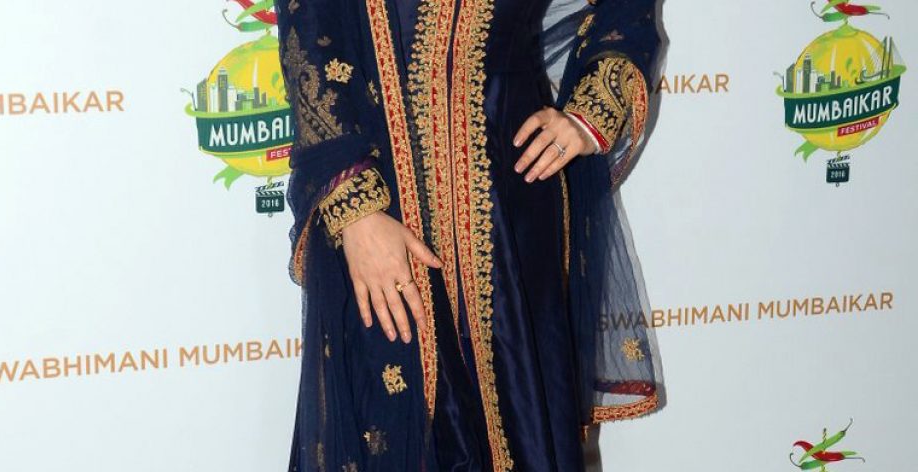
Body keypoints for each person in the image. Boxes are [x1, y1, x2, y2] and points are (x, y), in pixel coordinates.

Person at [276, 0, 665, 470]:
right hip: (380, 212)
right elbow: (310, 36)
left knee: (520, 420)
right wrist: (356, 209)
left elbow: (626, 12)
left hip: (514, 214)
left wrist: (589, 113)